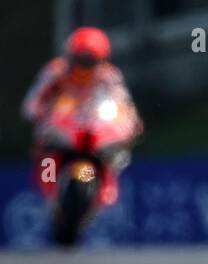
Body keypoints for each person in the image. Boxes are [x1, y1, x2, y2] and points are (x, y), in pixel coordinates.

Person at [21, 26, 142, 206]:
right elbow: (32, 103)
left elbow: (124, 107)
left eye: (90, 61)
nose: (84, 67)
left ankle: (102, 188)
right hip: (60, 132)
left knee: (116, 157)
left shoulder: (109, 76)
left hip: (95, 135)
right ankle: (51, 190)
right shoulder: (55, 72)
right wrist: (40, 113)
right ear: (70, 56)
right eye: (81, 60)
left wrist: (130, 125)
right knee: (47, 153)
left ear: (102, 60)